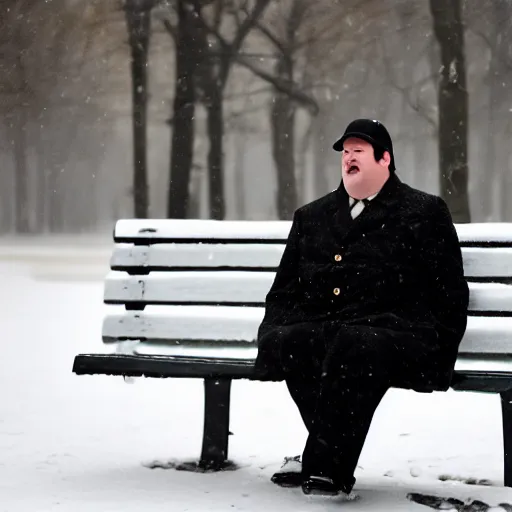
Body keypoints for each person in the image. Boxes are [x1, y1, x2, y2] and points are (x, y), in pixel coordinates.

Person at [254, 119, 469, 497]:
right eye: (345, 153)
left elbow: (449, 291)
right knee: (297, 341)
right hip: (332, 333)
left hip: (399, 335)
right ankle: (325, 463)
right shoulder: (312, 216)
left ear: (384, 158)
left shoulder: (424, 211)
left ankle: (323, 466)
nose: (349, 159)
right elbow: (283, 290)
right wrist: (273, 331)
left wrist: (441, 354)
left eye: (359, 152)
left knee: (356, 343)